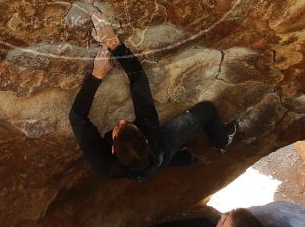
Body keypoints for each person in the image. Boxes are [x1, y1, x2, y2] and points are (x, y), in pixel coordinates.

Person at [68, 13, 238, 181]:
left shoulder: (105, 166)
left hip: (145, 166)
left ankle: (184, 158)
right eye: (126, 125)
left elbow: (77, 116)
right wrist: (114, 44)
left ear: (112, 150)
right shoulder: (150, 129)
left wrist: (96, 76)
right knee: (207, 110)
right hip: (161, 148)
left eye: (118, 128)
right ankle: (221, 142)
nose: (121, 121)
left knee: (155, 165)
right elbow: (138, 78)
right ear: (145, 139)